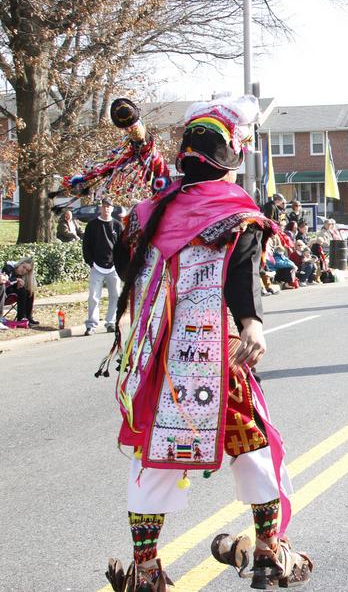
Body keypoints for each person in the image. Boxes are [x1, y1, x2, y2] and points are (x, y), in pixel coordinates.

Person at [102, 94, 312, 591]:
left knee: (156, 456)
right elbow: (240, 276)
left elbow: (120, 266)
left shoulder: (152, 209)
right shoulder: (233, 209)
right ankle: (266, 550)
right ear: (230, 158)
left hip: (158, 358)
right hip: (216, 356)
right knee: (253, 445)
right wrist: (251, 323)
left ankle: (147, 570)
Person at [82, 197, 124, 335]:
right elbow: (86, 246)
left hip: (114, 267)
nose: (106, 209)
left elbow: (122, 247)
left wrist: (120, 264)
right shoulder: (92, 225)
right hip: (97, 266)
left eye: (109, 206)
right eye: (104, 206)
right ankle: (91, 325)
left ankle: (111, 322)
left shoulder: (117, 226)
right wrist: (91, 262)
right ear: (100, 208)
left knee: (115, 295)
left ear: (112, 209)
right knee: (94, 296)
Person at [2, 258, 37, 325]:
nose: (24, 271)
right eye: (23, 267)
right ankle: (21, 318)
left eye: (27, 270)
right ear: (19, 264)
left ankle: (28, 317)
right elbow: (5, 281)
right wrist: (17, 280)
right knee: (22, 291)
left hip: (13, 292)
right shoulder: (8, 268)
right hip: (3, 293)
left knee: (30, 291)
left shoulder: (22, 275)